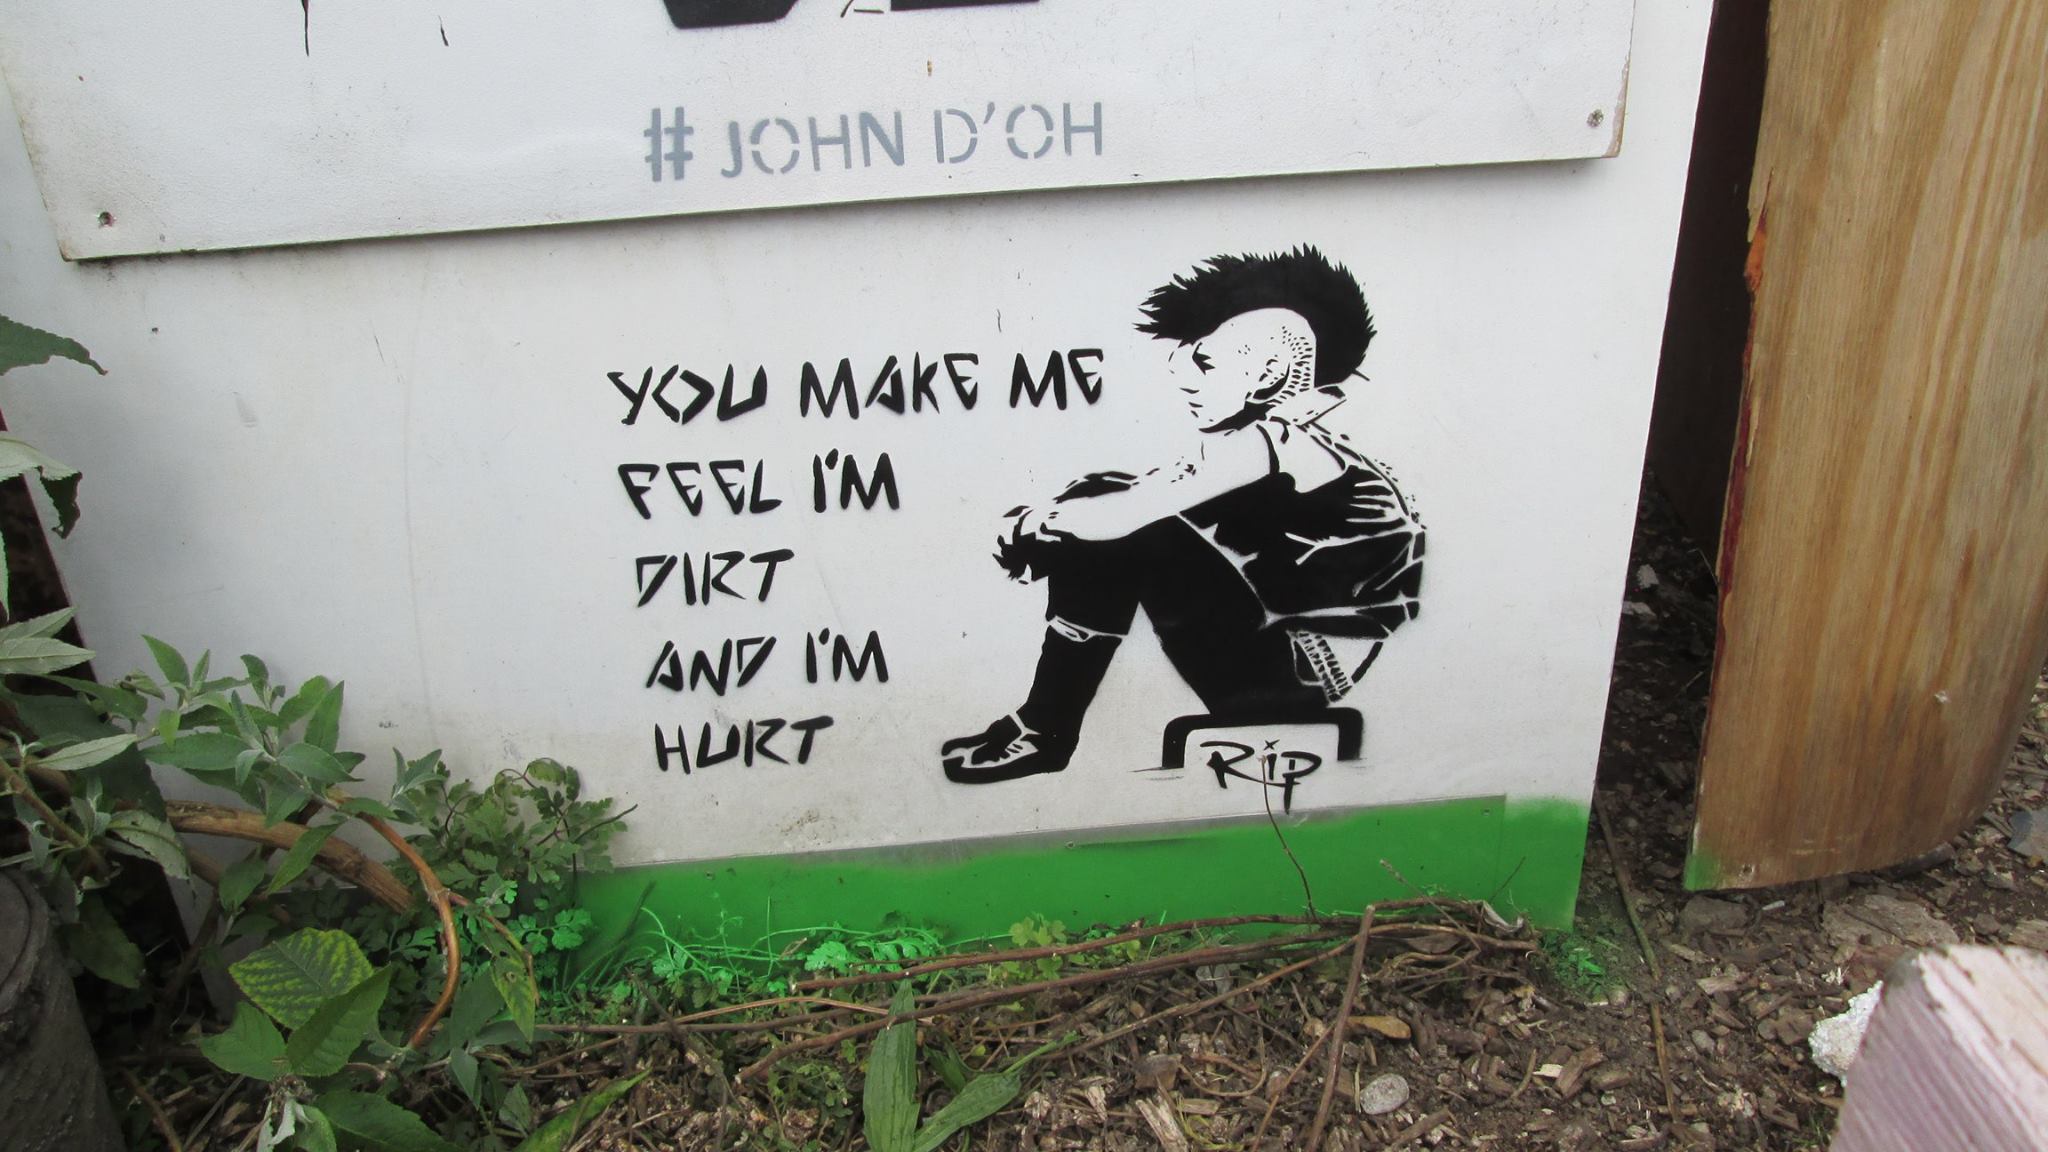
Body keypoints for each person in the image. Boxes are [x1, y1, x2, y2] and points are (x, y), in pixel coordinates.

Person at [942, 245, 1425, 784]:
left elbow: (1125, 515)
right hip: (1295, 660)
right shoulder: (1281, 442)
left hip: (1304, 670)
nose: (1185, 378)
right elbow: (1138, 494)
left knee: (1125, 526)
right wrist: (1063, 523)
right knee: (1107, 503)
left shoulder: (1273, 440)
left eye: (1205, 362)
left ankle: (1045, 728)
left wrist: (1035, 526)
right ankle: (1042, 725)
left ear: (1270, 374)